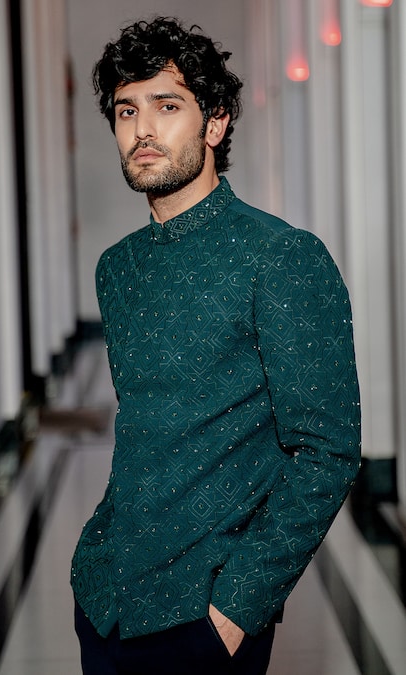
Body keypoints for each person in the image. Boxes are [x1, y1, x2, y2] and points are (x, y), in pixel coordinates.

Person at [71, 16, 361, 675]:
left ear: (215, 123)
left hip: (201, 613)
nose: (142, 129)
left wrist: (237, 606)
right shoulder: (117, 268)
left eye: (167, 106)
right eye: (126, 110)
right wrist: (94, 563)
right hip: (105, 600)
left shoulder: (282, 257)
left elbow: (328, 450)